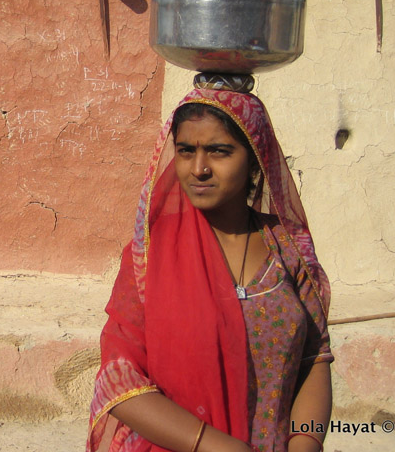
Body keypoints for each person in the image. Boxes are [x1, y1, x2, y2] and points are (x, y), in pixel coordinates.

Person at [87, 86, 333, 452]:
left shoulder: (288, 248)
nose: (199, 169)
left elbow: (315, 358)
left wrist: (305, 443)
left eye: (219, 151)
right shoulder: (150, 256)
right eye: (186, 150)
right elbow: (118, 379)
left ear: (254, 159)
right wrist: (217, 446)